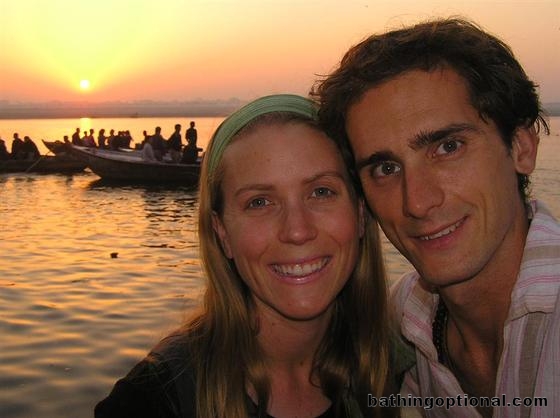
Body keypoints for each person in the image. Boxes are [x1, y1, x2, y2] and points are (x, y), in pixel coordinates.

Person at [94, 94, 403, 418]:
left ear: (360, 212)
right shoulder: (154, 399)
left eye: (321, 192)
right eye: (259, 202)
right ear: (222, 233)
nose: (297, 231)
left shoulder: (399, 366)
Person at [313, 17, 559, 417]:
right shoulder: (405, 317)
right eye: (386, 168)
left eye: (448, 147)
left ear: (521, 148)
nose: (417, 202)